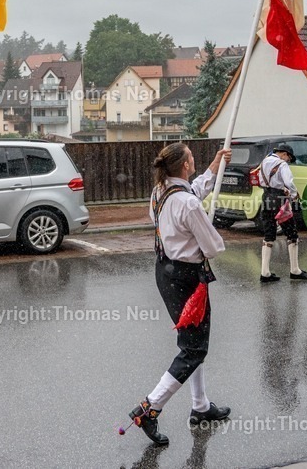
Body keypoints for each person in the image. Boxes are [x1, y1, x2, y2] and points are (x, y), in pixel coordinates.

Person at [125, 143, 232, 447]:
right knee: (194, 349)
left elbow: (191, 192)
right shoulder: (189, 204)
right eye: (191, 157)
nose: (194, 160)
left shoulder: (159, 192)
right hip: (188, 279)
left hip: (165, 272)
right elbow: (214, 247)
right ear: (185, 165)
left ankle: (200, 405)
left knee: (191, 343)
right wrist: (204, 230)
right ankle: (149, 408)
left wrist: (214, 166)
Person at [258, 143, 307, 283]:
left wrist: (278, 188)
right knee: (291, 233)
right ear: (284, 154)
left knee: (269, 234)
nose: (288, 160)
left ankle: (265, 273)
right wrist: (293, 194)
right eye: (289, 158)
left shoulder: (264, 162)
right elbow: (289, 182)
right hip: (280, 200)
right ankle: (295, 270)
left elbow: (262, 181)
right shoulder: (282, 164)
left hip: (266, 198)